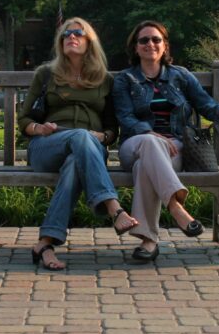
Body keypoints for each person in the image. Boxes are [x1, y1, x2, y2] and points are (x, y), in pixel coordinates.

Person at [113, 20, 219, 261]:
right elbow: (125, 116)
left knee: (144, 168)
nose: (150, 44)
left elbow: (207, 105)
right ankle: (176, 207)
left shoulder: (180, 76)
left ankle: (148, 242)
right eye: (144, 40)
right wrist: (148, 132)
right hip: (135, 144)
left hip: (175, 148)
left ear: (165, 46)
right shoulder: (125, 79)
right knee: (149, 145)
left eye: (156, 39)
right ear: (135, 48)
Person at [18, 17, 138, 270]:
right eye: (66, 34)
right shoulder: (46, 74)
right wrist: (39, 128)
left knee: (76, 158)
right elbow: (24, 119)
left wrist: (103, 138)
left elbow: (111, 129)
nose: (71, 37)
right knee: (79, 136)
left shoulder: (105, 80)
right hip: (47, 145)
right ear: (60, 43)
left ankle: (45, 243)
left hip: (88, 151)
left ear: (89, 42)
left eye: (78, 34)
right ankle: (114, 209)